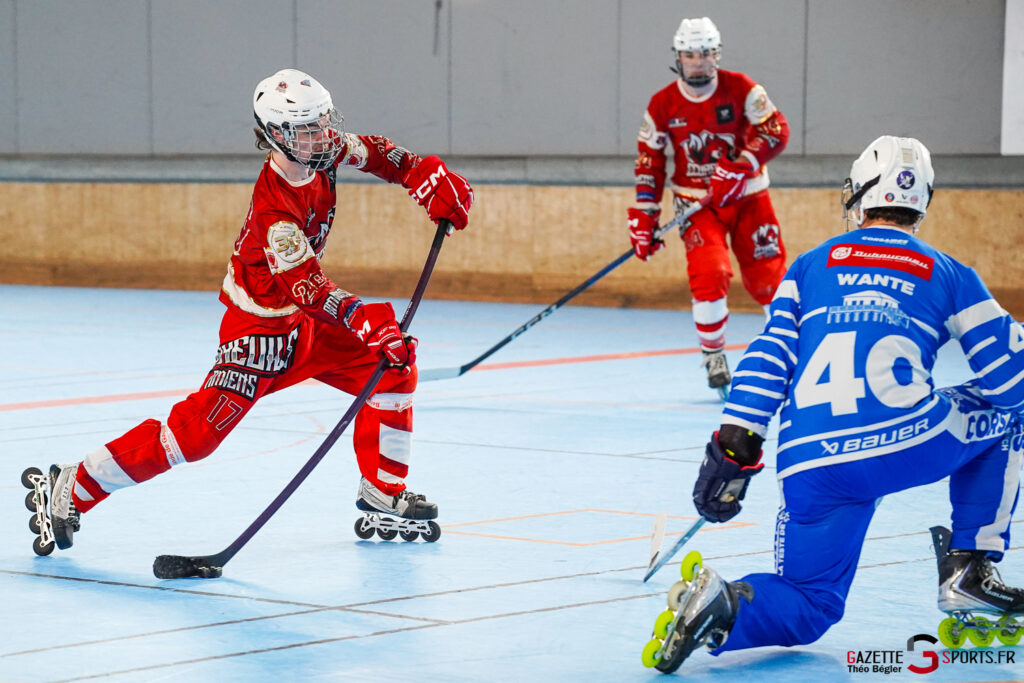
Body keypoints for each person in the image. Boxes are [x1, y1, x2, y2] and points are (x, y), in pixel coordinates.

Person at [31, 68, 474, 551]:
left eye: (324, 121)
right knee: (193, 437)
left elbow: (378, 153)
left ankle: (384, 493)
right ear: (277, 138)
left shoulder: (320, 149)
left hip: (302, 326)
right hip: (257, 334)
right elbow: (307, 287)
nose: (323, 135)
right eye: (307, 129)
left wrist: (422, 173)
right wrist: (364, 319)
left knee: (392, 368)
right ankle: (75, 484)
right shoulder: (274, 213)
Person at [643, 135, 1024, 673]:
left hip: (810, 463)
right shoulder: (950, 273)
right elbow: (1011, 380)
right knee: (1011, 413)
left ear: (861, 195)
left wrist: (733, 446)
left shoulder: (807, 268)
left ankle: (724, 604)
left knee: (811, 601)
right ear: (922, 201)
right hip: (903, 440)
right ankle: (972, 569)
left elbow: (769, 358)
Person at [627, 16, 790, 396]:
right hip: (697, 205)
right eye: (689, 55)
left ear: (716, 55)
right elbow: (649, 159)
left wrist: (741, 166)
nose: (697, 62)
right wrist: (644, 214)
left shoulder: (743, 88)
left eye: (704, 54)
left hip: (749, 198)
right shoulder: (662, 102)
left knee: (769, 277)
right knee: (710, 273)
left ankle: (788, 354)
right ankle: (714, 355)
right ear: (678, 57)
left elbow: (776, 129)